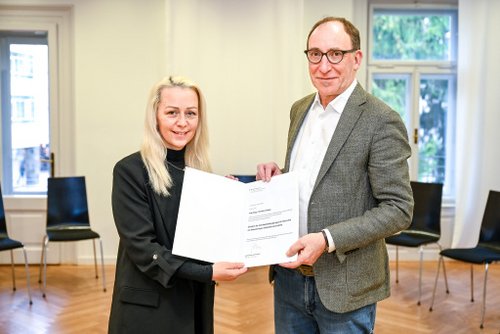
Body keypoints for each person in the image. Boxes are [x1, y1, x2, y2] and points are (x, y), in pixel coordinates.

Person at [256, 17, 414, 333]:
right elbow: (315, 180)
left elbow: (398, 210)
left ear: (356, 58)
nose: (324, 65)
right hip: (289, 279)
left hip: (345, 287)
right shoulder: (299, 109)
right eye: (315, 54)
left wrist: (327, 239)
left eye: (335, 54)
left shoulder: (381, 120)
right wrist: (280, 176)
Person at [108, 75, 248, 334]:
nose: (182, 122)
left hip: (194, 303)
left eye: (191, 113)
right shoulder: (130, 171)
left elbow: (202, 241)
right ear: (155, 117)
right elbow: (143, 248)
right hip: (148, 309)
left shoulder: (200, 174)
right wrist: (208, 273)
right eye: (172, 112)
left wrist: (225, 202)